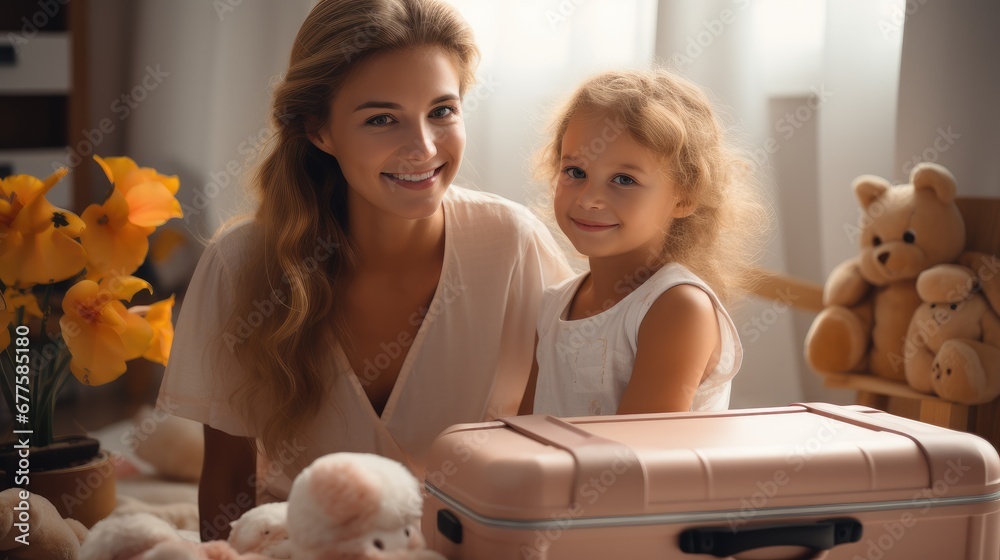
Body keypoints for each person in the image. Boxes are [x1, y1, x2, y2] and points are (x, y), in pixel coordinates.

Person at [155, 0, 571, 541]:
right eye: (381, 119)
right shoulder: (241, 265)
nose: (422, 148)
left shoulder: (512, 246)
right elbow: (229, 481)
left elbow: (546, 456)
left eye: (442, 111)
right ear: (319, 131)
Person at [520, 69, 769, 417]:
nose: (589, 198)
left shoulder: (678, 307)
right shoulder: (553, 306)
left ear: (685, 196)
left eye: (623, 179)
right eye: (575, 172)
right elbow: (523, 434)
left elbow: (636, 459)